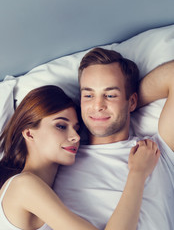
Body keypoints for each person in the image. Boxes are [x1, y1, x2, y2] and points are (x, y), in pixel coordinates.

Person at [0, 85, 159, 230]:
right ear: (29, 133)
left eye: (76, 129)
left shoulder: (46, 185)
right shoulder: (23, 185)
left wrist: (126, 104)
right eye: (61, 126)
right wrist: (138, 173)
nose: (76, 136)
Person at [54, 48, 174, 230]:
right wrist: (117, 104)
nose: (97, 105)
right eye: (88, 95)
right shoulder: (62, 157)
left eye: (110, 95)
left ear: (132, 101)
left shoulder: (156, 151)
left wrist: (124, 106)